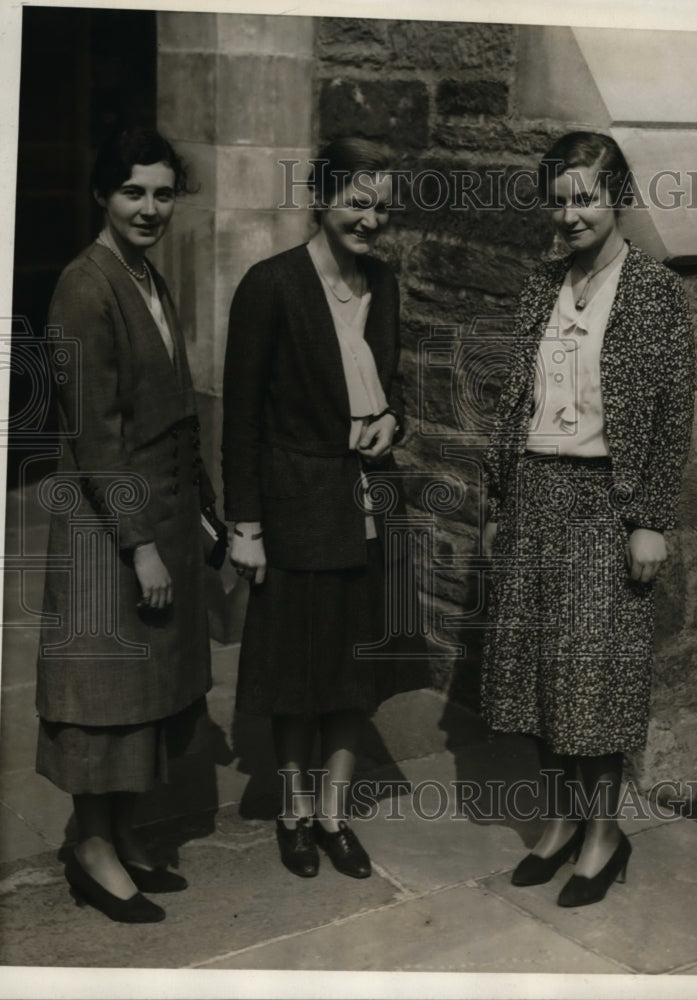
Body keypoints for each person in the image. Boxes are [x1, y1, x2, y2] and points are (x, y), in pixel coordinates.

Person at [481, 131, 694, 907]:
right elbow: (516, 399)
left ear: (617, 199)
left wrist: (652, 520)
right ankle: (564, 821)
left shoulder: (654, 292)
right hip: (536, 493)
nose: (571, 214)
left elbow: (674, 417)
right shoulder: (542, 285)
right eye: (561, 198)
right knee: (543, 678)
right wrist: (499, 497)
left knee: (593, 680)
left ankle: (605, 834)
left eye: (586, 198)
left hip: (607, 504)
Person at [223, 137, 424, 880]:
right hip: (298, 503)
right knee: (296, 672)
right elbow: (240, 416)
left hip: (368, 498)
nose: (370, 221)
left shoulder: (385, 284)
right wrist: (245, 524)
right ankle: (294, 811)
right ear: (322, 199)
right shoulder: (270, 285)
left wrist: (391, 421)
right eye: (357, 203)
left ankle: (335, 815)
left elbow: (391, 386)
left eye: (382, 209)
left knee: (351, 669)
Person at [36, 128, 216, 923]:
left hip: (158, 520)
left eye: (163, 193)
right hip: (108, 533)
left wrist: (202, 514)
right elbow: (95, 435)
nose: (149, 208)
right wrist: (140, 546)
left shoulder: (145, 276)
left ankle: (119, 834)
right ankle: (92, 849)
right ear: (102, 196)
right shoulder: (85, 285)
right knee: (103, 698)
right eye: (133, 192)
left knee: (142, 695)